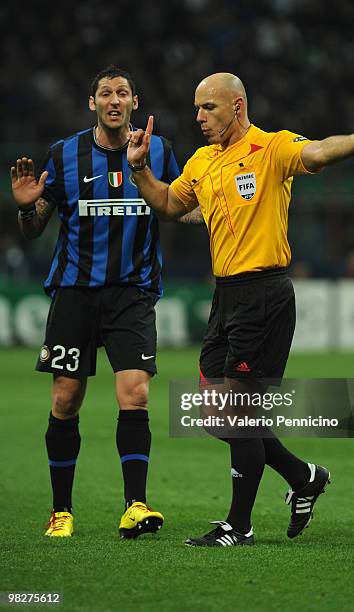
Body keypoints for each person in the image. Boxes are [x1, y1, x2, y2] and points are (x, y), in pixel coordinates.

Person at [126, 72, 354, 546]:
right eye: (196, 109)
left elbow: (317, 151)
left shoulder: (271, 147)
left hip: (264, 294)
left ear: (237, 106)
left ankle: (239, 525)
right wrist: (140, 171)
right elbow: (170, 206)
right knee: (217, 413)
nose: (198, 118)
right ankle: (303, 476)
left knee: (236, 409)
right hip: (227, 295)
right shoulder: (202, 161)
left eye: (208, 108)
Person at [10, 65, 200, 539]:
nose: (114, 100)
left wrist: (219, 213)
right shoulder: (65, 154)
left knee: (135, 394)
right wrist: (23, 206)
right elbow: (34, 227)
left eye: (123, 93)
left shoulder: (159, 151)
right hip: (74, 294)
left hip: (131, 294)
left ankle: (135, 504)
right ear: (91, 104)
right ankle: (61, 512)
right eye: (105, 94)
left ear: (135, 103)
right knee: (66, 399)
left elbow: (181, 209)